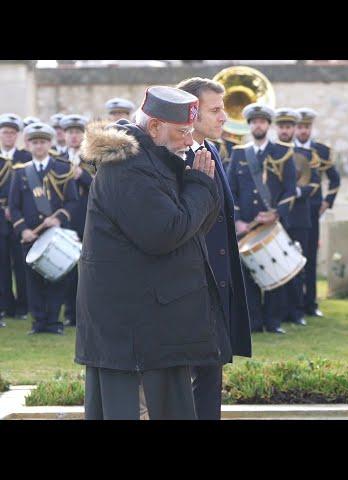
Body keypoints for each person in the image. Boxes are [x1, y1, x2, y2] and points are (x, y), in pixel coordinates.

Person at [75, 86, 223, 420]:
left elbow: (194, 228)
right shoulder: (127, 167)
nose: (189, 140)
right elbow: (165, 233)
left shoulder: (158, 159)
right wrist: (199, 184)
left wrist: (199, 185)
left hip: (156, 319)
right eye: (182, 132)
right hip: (132, 328)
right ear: (155, 127)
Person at [176, 76, 252, 420]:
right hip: (188, 287)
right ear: (191, 112)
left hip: (214, 287)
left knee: (209, 381)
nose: (225, 117)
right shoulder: (173, 157)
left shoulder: (211, 151)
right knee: (184, 387)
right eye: (216, 109)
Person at [227, 103, 297, 334]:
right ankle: (254, 322)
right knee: (248, 275)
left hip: (272, 225)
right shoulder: (239, 153)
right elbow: (231, 190)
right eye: (254, 122)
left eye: (262, 121)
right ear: (250, 125)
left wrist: (276, 213)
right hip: (246, 225)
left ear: (268, 125)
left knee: (275, 271)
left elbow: (290, 189)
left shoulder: (283, 152)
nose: (258, 125)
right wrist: (237, 219)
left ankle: (273, 322)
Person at [8, 122, 79, 335]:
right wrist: (23, 230)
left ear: (49, 144)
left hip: (55, 233)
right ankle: (38, 322)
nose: (39, 146)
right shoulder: (20, 172)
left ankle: (53, 322)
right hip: (30, 234)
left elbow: (73, 201)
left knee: (56, 278)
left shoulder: (62, 168)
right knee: (33, 280)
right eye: (35, 142)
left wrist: (58, 218)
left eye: (43, 142)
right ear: (29, 144)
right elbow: (14, 206)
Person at [275, 107, 320, 327]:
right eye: (282, 127)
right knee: (277, 263)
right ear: (277, 129)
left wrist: (294, 193)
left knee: (298, 265)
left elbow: (314, 184)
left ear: (294, 128)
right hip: (278, 218)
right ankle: (279, 310)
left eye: (289, 127)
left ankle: (297, 310)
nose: (285, 130)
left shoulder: (308, 155)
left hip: (300, 217)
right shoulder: (271, 152)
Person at [294, 107, 340, 318]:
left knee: (310, 256)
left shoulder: (321, 151)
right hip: (289, 210)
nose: (303, 131)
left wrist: (327, 202)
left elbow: (335, 179)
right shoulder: (283, 148)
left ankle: (310, 304)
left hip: (312, 210)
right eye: (300, 126)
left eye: (307, 127)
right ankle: (292, 304)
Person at [58, 114, 93, 327]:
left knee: (88, 267)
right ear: (64, 135)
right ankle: (69, 311)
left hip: (87, 217)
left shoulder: (92, 158)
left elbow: (100, 186)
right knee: (68, 267)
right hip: (65, 218)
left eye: (78, 132)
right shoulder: (57, 158)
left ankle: (86, 312)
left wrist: (82, 175)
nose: (74, 136)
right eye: (70, 132)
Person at [0, 113, 30, 320]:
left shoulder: (25, 158)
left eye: (12, 132)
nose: (9, 136)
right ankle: (5, 305)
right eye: (5, 132)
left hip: (20, 217)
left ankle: (23, 306)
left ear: (17, 135)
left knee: (21, 262)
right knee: (2, 263)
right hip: (0, 215)